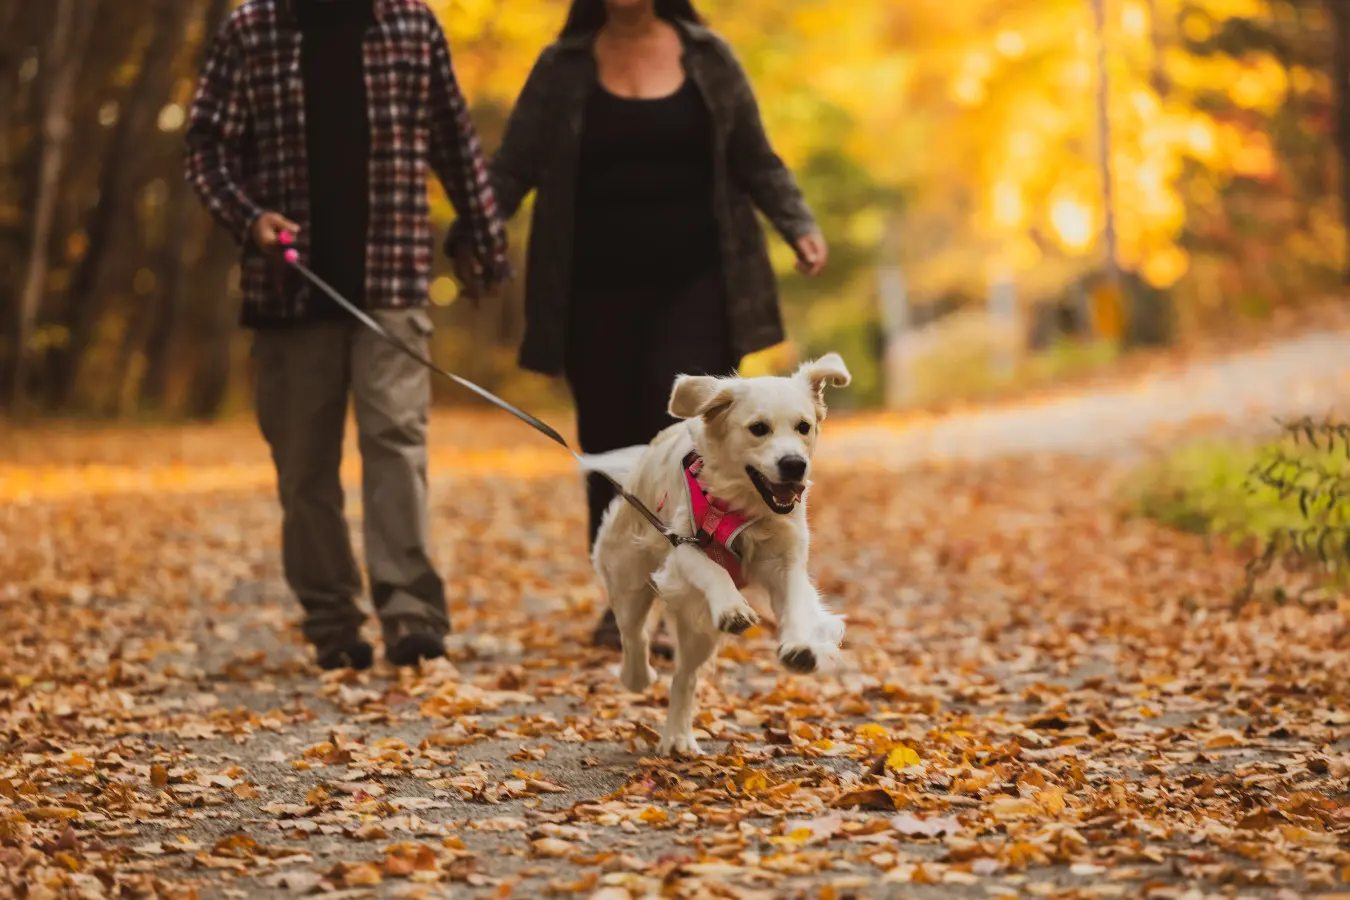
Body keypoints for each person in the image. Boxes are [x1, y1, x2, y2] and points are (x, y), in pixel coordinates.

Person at [446, 0, 826, 653]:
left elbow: (755, 157)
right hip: (592, 288)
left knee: (679, 426)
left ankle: (699, 580)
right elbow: (513, 165)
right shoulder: (563, 67)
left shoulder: (708, 57)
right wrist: (477, 231)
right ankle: (627, 598)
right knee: (612, 442)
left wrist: (797, 222)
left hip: (699, 280)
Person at [184, 0, 510, 671]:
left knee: (395, 439)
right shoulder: (253, 27)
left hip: (391, 282)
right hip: (289, 287)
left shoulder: (411, 23)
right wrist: (249, 219)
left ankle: (411, 616)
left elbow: (455, 142)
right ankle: (333, 621)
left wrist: (484, 242)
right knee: (305, 464)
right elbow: (206, 149)